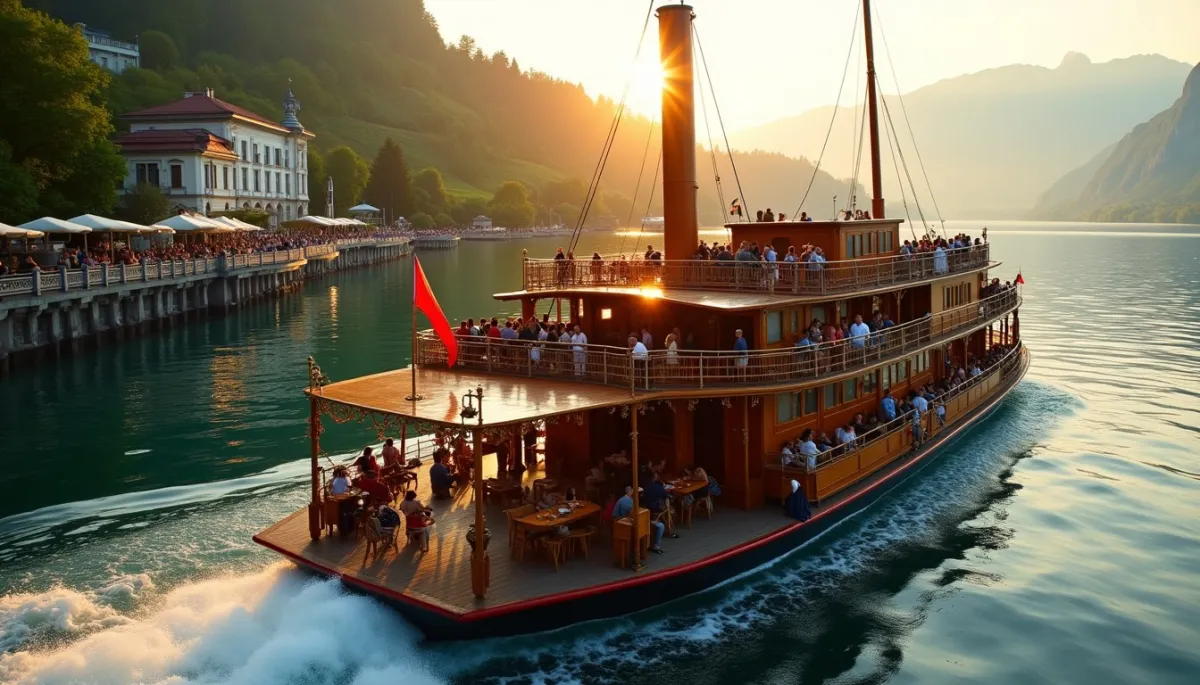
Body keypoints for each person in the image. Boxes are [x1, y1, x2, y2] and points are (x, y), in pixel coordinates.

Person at [613, 485, 665, 554]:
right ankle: (655, 546)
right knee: (660, 526)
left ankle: (649, 546)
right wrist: (651, 522)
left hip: (629, 521)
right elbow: (635, 516)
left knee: (652, 524)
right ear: (630, 492)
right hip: (630, 524)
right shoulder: (628, 502)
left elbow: (615, 515)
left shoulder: (622, 499)